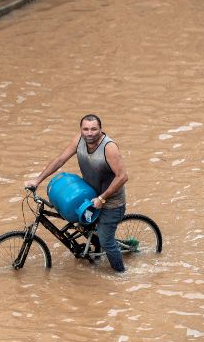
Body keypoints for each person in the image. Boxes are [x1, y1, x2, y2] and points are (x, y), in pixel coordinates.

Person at [25, 114, 129, 272]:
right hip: (89, 195)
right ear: (81, 130)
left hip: (111, 202)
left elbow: (122, 177)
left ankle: (121, 274)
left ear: (101, 130)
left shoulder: (109, 148)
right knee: (82, 226)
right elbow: (60, 160)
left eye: (94, 129)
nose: (89, 133)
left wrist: (102, 198)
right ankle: (96, 253)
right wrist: (38, 180)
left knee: (106, 241)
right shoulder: (79, 140)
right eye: (85, 129)